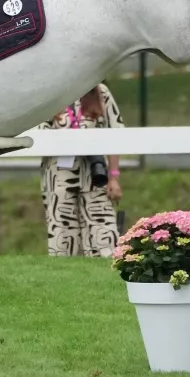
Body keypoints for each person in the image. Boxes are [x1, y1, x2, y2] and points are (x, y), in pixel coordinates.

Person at [36, 83, 124, 257]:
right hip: (58, 173)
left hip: (94, 173)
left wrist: (114, 177)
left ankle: (105, 275)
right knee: (62, 234)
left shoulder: (100, 91)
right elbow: (39, 132)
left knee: (103, 233)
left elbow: (116, 133)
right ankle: (63, 277)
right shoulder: (49, 91)